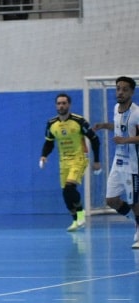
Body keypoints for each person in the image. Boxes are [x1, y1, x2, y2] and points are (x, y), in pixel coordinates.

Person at [39, 93, 101, 231]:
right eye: (59, 103)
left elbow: (95, 139)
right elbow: (49, 142)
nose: (61, 106)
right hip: (64, 161)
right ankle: (75, 221)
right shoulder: (51, 124)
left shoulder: (79, 121)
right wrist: (44, 155)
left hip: (79, 158)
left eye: (64, 103)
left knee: (69, 187)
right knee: (66, 194)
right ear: (56, 105)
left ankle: (81, 213)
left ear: (69, 105)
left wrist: (96, 160)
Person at [93, 76, 139, 248]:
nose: (120, 92)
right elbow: (119, 127)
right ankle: (137, 221)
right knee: (111, 200)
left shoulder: (136, 113)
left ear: (132, 92)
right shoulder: (115, 108)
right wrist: (105, 125)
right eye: (118, 88)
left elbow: (129, 134)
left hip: (133, 164)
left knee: (135, 201)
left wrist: (126, 141)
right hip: (118, 162)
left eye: (124, 89)